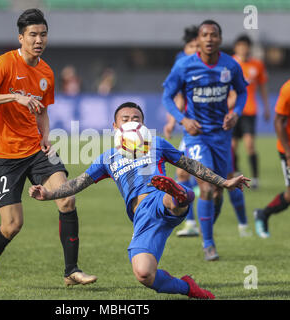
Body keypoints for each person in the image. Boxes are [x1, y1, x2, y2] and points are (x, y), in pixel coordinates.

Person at [29, 102, 250, 299]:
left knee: (170, 198)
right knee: (144, 274)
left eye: (136, 119)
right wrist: (49, 194)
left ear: (143, 125)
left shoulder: (157, 143)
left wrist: (224, 182)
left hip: (158, 197)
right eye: (125, 119)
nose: (131, 122)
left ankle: (180, 195)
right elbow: (79, 182)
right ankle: (189, 288)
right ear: (115, 126)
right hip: (142, 217)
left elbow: (190, 164)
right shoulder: (107, 158)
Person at [0, 8, 96, 288]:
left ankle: (71, 271)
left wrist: (45, 136)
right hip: (4, 156)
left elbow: (42, 111)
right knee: (12, 225)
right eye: (33, 35)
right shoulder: (4, 64)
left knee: (67, 198)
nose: (38, 39)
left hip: (36, 149)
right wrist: (14, 96)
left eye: (43, 34)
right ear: (21, 37)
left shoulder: (46, 72)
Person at [162, 20, 248, 260]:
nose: (209, 39)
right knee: (207, 187)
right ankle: (208, 244)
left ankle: (206, 226)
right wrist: (182, 120)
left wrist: (236, 113)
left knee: (219, 190)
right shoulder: (184, 66)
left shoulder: (230, 65)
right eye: (205, 35)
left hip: (221, 136)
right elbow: (168, 96)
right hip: (196, 135)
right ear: (198, 41)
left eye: (214, 35)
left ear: (220, 39)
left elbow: (242, 92)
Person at [163, 25, 200, 237]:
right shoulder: (182, 63)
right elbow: (175, 95)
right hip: (191, 127)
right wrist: (171, 121)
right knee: (183, 171)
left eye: (197, 46)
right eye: (191, 46)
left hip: (209, 128)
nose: (194, 49)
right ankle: (193, 224)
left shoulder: (212, 64)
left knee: (207, 177)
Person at [229, 34, 270, 189]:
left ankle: (255, 177)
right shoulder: (230, 63)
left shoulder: (257, 65)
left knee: (250, 145)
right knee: (232, 146)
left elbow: (263, 87)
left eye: (246, 46)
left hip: (250, 110)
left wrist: (266, 107)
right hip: (232, 111)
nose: (243, 49)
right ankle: (237, 172)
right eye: (240, 46)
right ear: (236, 47)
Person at [254, 79, 290, 238]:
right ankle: (263, 214)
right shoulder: (288, 89)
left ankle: (263, 214)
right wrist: (288, 153)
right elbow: (279, 121)